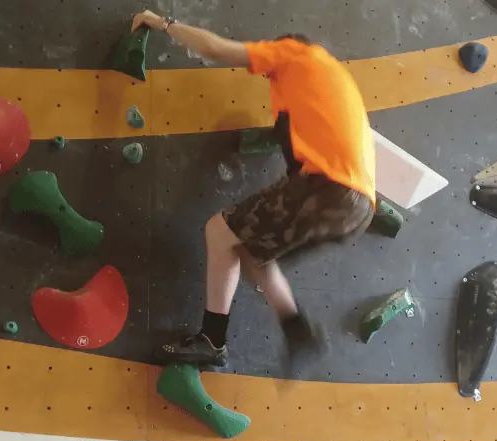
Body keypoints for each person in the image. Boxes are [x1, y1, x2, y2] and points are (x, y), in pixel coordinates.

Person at [132, 10, 376, 370]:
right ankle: (284, 331)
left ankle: (228, 338)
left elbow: (216, 49)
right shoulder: (323, 81)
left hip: (331, 189)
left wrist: (161, 23)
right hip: (356, 208)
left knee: (219, 230)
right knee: (248, 251)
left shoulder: (296, 54)